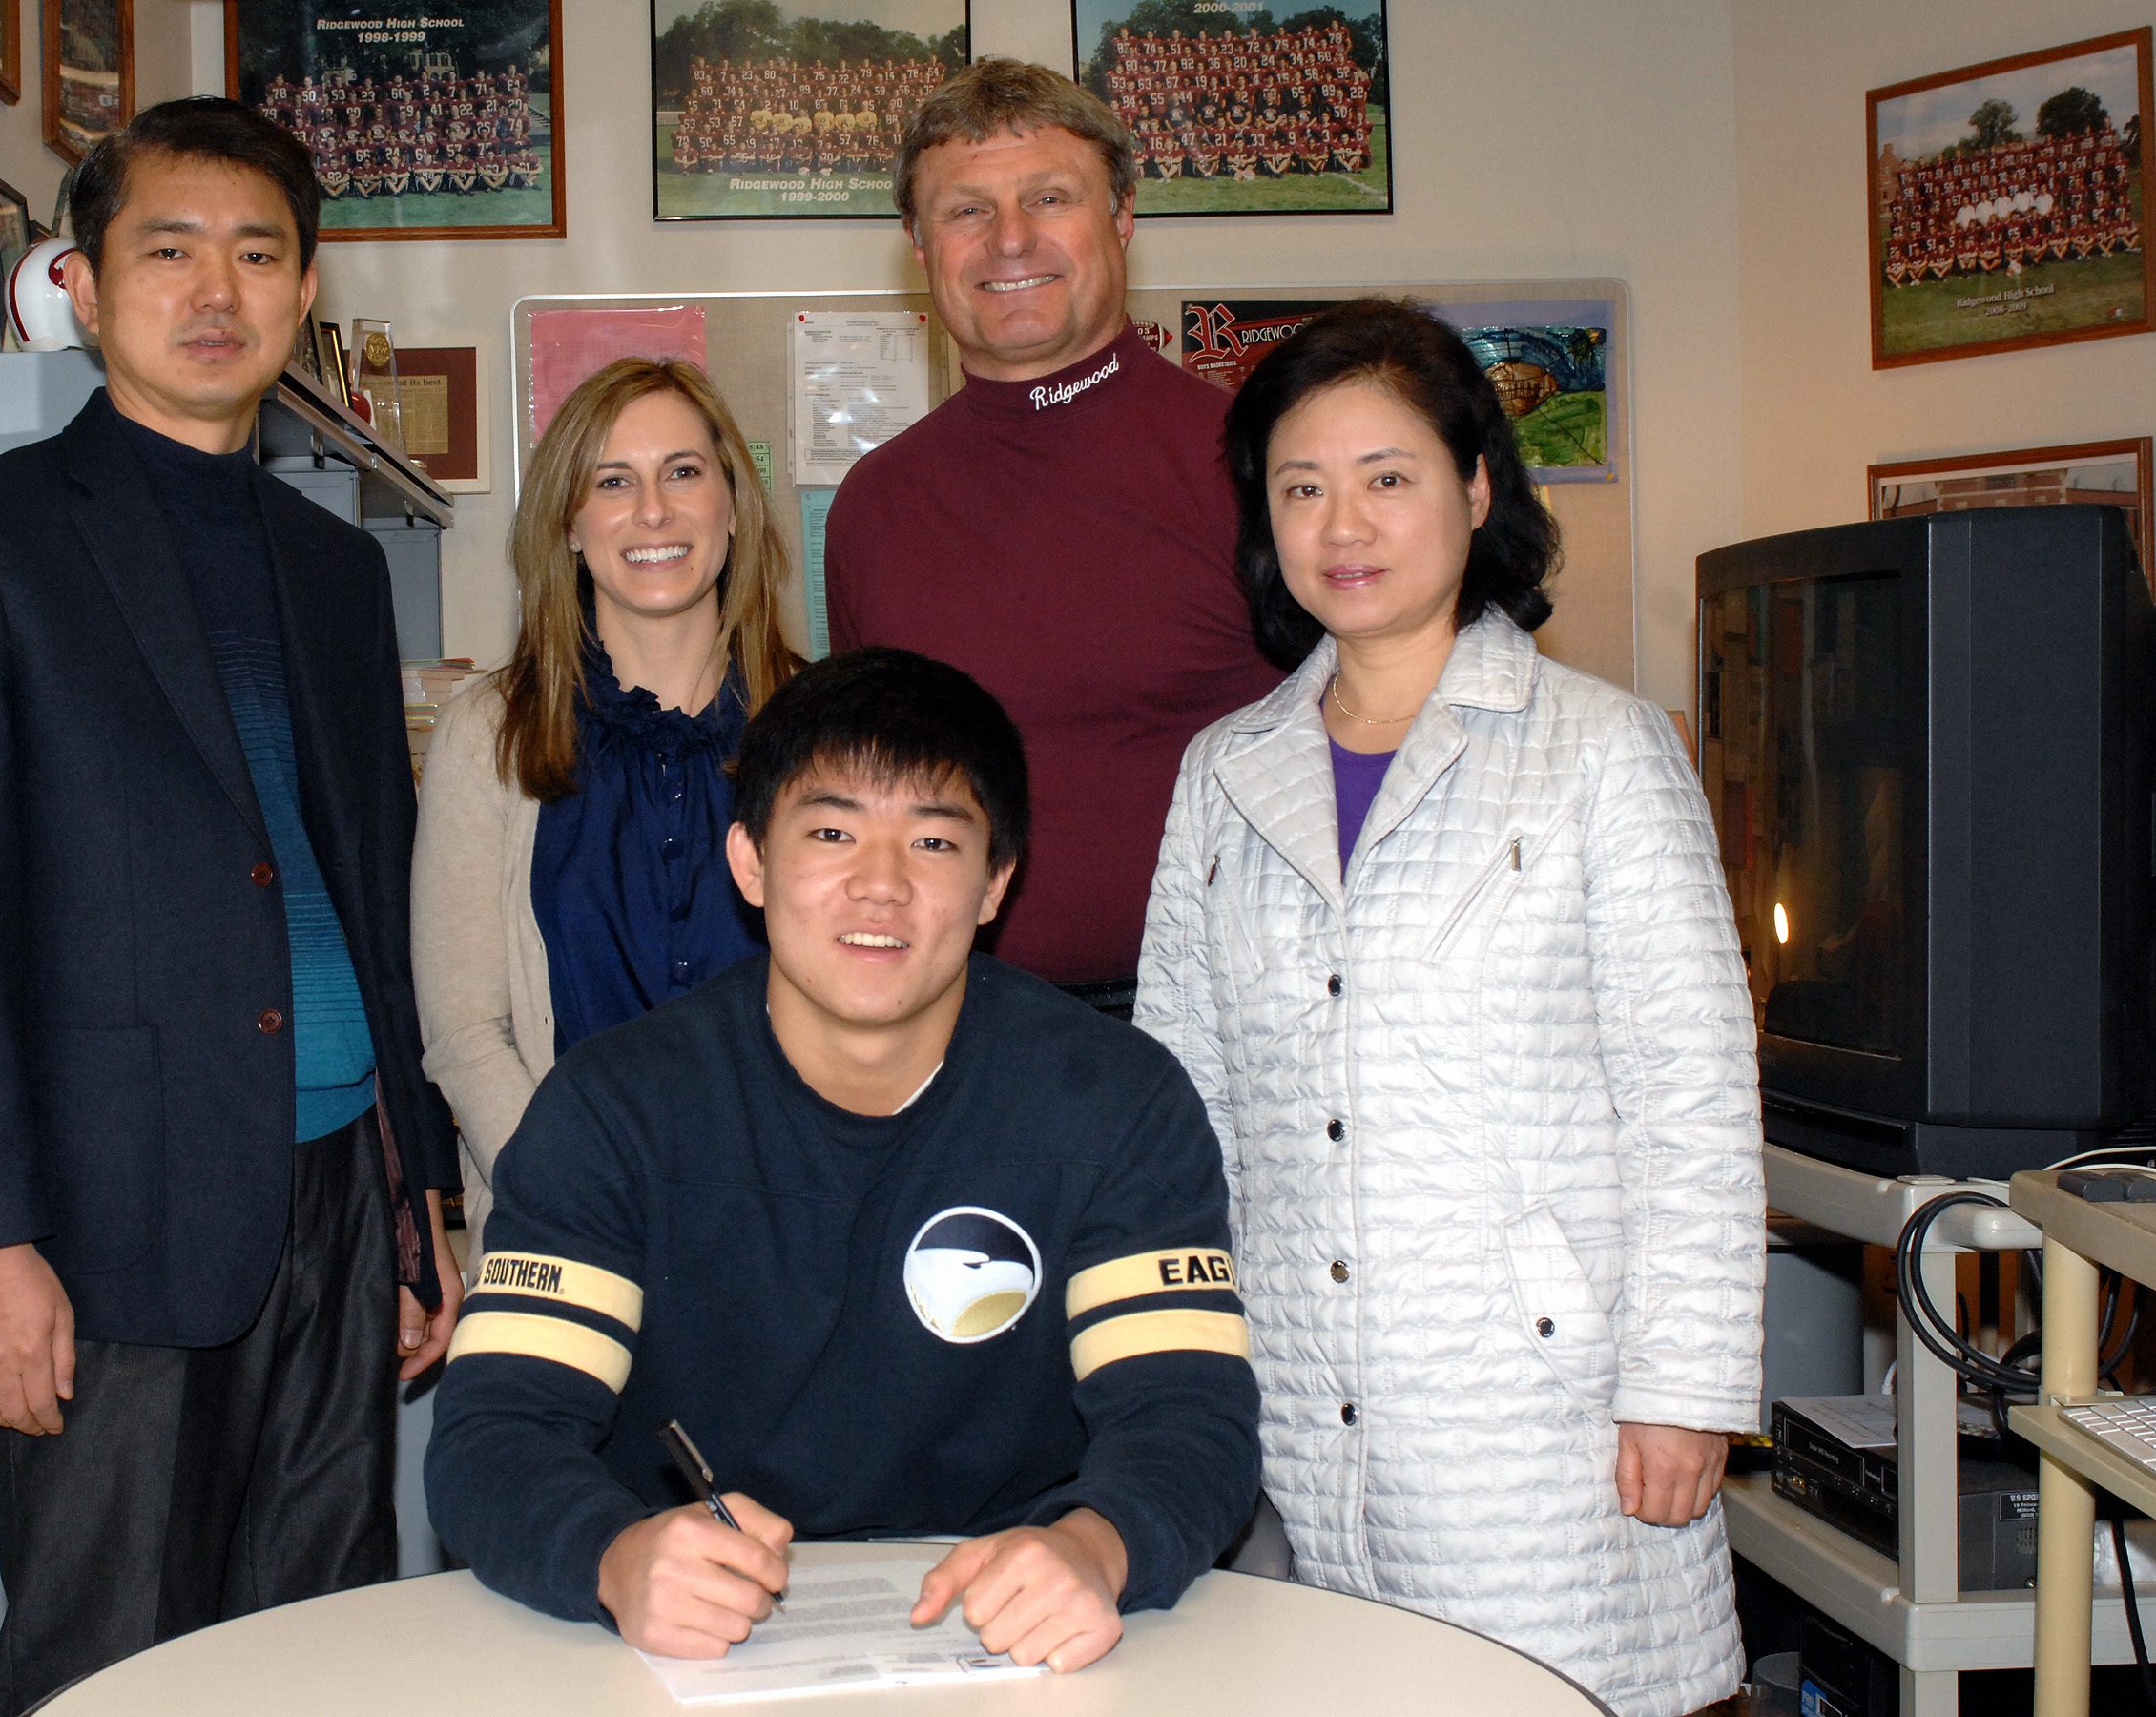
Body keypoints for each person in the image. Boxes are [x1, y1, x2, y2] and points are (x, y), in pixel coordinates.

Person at [0, 98, 459, 1715]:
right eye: (168, 249)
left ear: (305, 289)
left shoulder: (331, 573)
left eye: (257, 254)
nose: (215, 289)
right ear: (83, 281)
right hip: (106, 1213)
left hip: (336, 1187)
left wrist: (423, 1199)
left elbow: (372, 898)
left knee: (322, 1636)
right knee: (112, 1656)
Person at [1133, 298, 1763, 1717]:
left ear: (1477, 489)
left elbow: (1694, 1091)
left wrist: (1687, 1382)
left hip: (1540, 1403)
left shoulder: (1600, 751)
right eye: (1302, 487)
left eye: (1387, 477)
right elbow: (1183, 1103)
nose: (1343, 523)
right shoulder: (1225, 772)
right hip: (1297, 1387)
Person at [425, 649, 1261, 1672]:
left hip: (1017, 1645)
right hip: (690, 1655)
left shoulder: (1116, 1103)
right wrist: (612, 1555)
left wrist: (1097, 1547)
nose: (881, 886)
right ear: (750, 862)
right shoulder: (614, 1110)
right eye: (830, 832)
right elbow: (497, 1432)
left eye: (934, 842)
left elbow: (1188, 1419)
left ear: (997, 881)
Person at [824, 59, 1280, 1019]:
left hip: (1228, 1020)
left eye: (1049, 197)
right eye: (965, 211)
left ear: (1120, 218)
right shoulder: (874, 506)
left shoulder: (1257, 465)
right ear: (918, 242)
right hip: (964, 1030)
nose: (1011, 239)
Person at [411, 358, 804, 1257]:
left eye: (684, 472)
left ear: (734, 508)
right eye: (613, 481)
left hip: (787, 1231)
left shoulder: (824, 731)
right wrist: (581, 1195)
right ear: (569, 524)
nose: (653, 511)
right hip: (564, 1229)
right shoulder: (489, 737)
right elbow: (466, 1032)